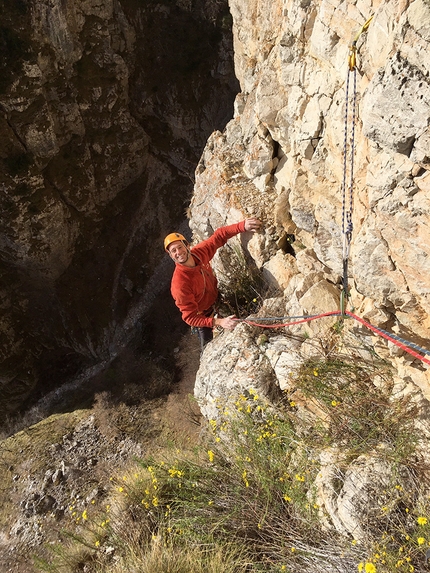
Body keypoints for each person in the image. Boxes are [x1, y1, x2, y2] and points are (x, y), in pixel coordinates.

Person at [164, 218, 261, 349]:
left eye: (180, 247)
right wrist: (219, 322)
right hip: (202, 317)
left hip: (217, 300)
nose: (178, 252)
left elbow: (219, 236)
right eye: (173, 251)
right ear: (170, 256)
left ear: (187, 246)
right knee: (208, 349)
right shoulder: (179, 284)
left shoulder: (198, 254)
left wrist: (242, 226)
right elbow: (190, 317)